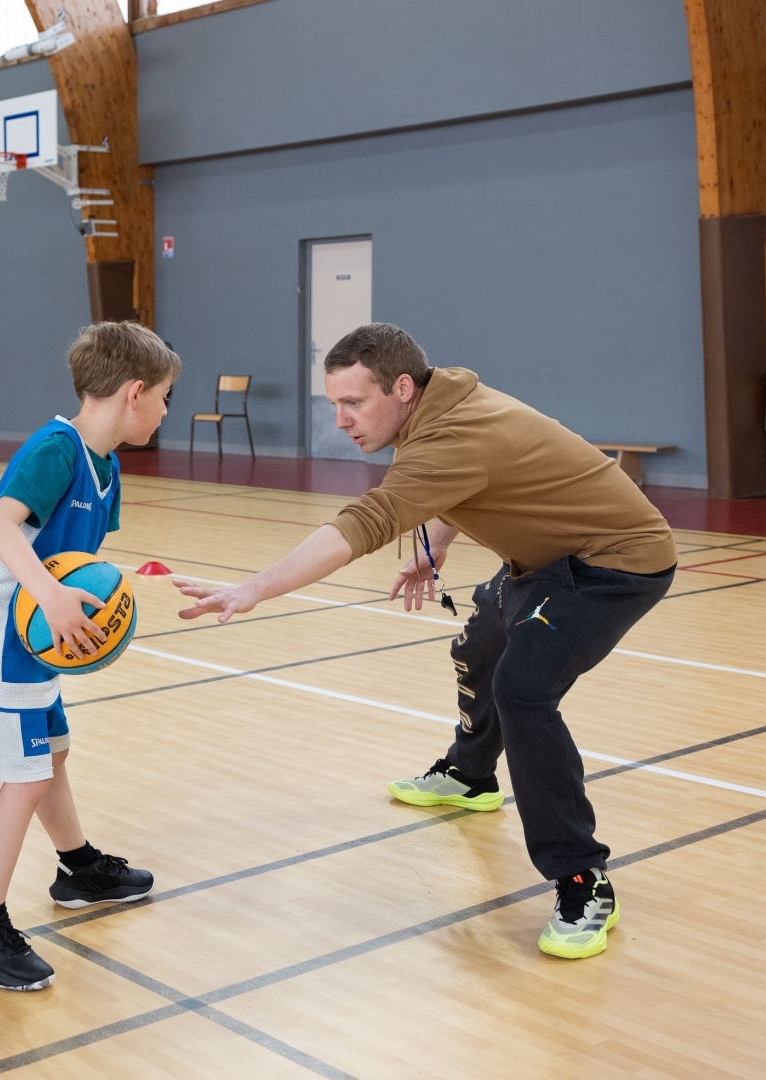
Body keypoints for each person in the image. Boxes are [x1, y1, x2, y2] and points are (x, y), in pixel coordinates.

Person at [175, 322, 676, 961]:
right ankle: (471, 776)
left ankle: (581, 878)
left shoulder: (457, 432)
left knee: (523, 690)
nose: (341, 420)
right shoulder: (441, 405)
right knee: (478, 642)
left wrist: (257, 587)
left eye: (353, 403)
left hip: (611, 564)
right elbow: (470, 480)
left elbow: (370, 520)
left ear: (402, 386)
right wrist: (438, 540)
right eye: (335, 403)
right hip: (543, 558)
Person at [0, 321, 178, 990]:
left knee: (55, 752)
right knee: (26, 776)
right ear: (134, 393)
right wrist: (48, 596)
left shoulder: (106, 467)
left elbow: (78, 563)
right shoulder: (56, 448)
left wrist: (116, 597)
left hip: (35, 638)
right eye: (164, 396)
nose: (164, 410)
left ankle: (78, 867)